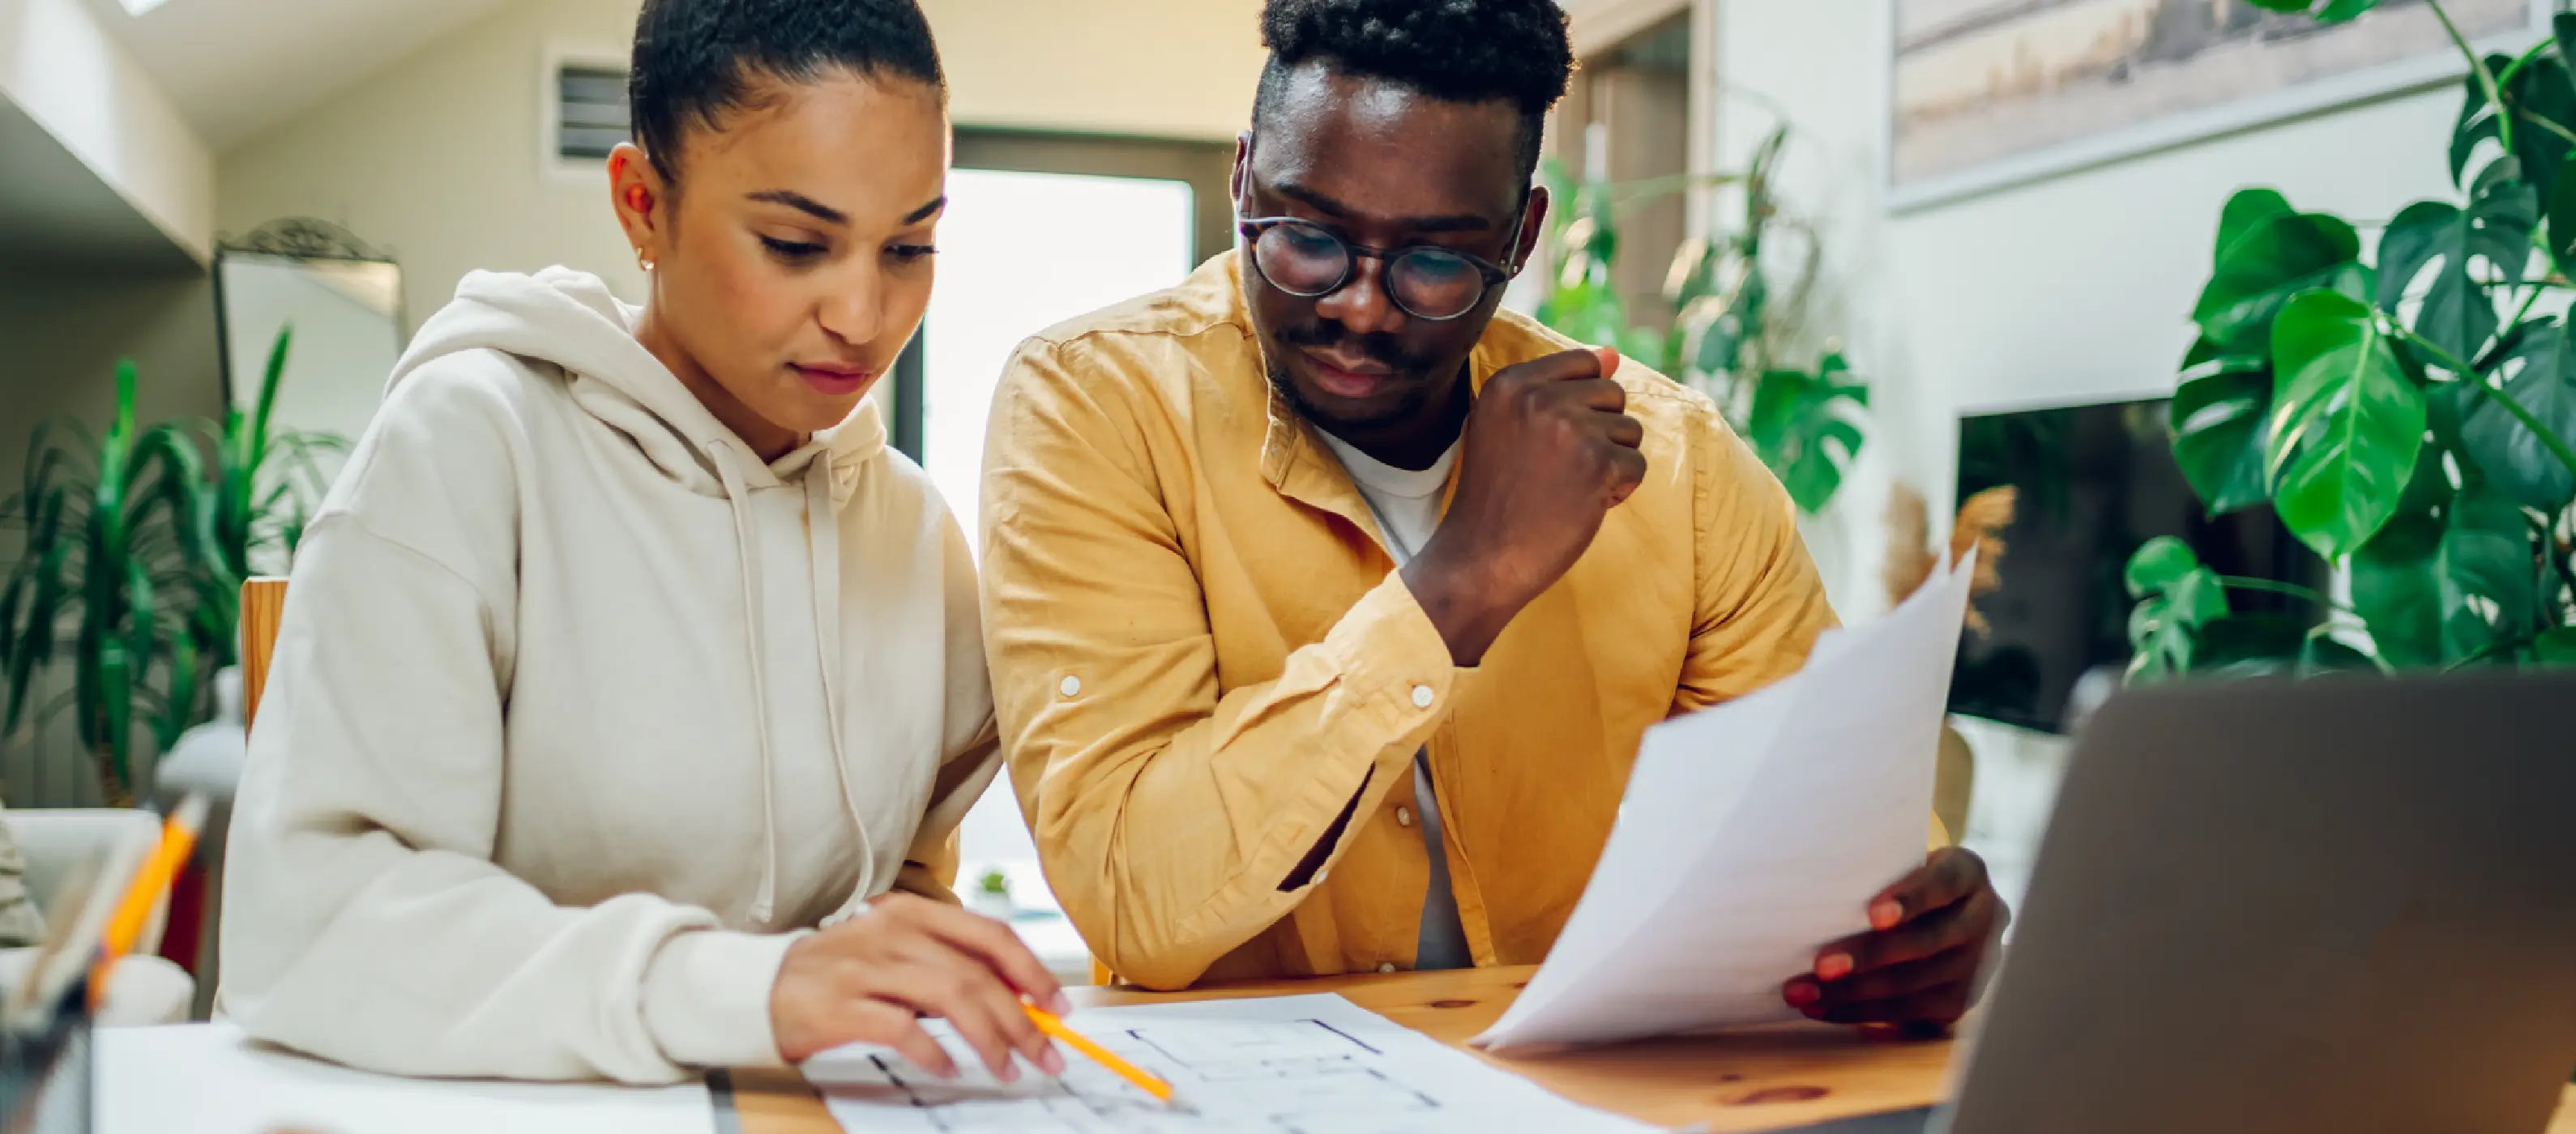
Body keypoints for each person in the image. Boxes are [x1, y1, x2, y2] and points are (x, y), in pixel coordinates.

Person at [979, 0, 2006, 1026]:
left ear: (1520, 237)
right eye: (1306, 238)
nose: (1361, 307)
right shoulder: (1095, 404)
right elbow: (1131, 899)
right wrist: (1458, 581)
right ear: (1243, 178)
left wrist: (1913, 928)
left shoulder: (1677, 467)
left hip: (1582, 1092)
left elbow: (1825, 844)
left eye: (1433, 261)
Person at [220, 0, 1068, 1085]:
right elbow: (310, 926)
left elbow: (898, 877)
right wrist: (742, 988)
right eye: (796, 245)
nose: (863, 313)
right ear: (642, 205)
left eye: (910, 245)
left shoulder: (910, 531)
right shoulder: (472, 444)